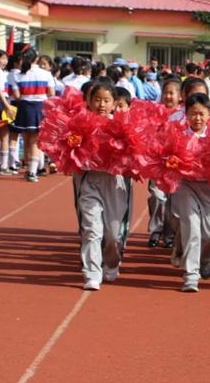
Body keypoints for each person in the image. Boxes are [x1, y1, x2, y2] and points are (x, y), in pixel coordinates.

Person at [75, 81, 133, 291]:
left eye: (106, 100)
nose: (101, 104)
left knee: (113, 234)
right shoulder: (80, 123)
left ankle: (111, 262)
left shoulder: (121, 125)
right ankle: (91, 273)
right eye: (97, 99)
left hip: (115, 181)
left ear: (114, 103)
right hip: (90, 180)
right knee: (91, 230)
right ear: (89, 101)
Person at [171, 92, 210, 292]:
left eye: (201, 114)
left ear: (209, 114)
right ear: (186, 115)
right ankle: (191, 275)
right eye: (193, 114)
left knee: (209, 231)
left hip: (209, 187)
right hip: (185, 186)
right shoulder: (178, 136)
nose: (197, 118)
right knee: (191, 226)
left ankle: (206, 260)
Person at [146, 77, 182, 248]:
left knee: (173, 199)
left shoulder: (183, 115)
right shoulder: (154, 112)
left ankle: (169, 234)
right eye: (165, 93)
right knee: (157, 196)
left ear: (179, 96)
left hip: (176, 164)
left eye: (171, 93)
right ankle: (157, 229)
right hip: (158, 163)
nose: (168, 97)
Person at [9, 47, 55, 183]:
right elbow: (51, 94)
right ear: (36, 59)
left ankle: (29, 169)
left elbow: (16, 96)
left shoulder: (17, 75)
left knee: (26, 139)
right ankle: (32, 171)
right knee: (35, 140)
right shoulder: (46, 74)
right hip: (39, 107)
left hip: (24, 107)